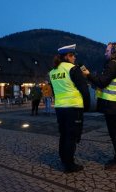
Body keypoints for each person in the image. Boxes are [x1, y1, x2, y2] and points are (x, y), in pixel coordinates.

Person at [82, 42, 116, 171]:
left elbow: (102, 82)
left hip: (112, 104)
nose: (105, 53)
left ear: (114, 51)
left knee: (115, 133)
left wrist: (88, 75)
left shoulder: (113, 64)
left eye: (107, 50)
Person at [49, 44, 90, 173]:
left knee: (64, 134)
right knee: (71, 136)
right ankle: (69, 164)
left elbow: (55, 91)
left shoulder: (53, 72)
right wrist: (87, 106)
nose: (74, 58)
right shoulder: (73, 69)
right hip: (73, 107)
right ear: (66, 56)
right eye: (72, 56)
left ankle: (63, 158)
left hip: (60, 107)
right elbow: (84, 89)